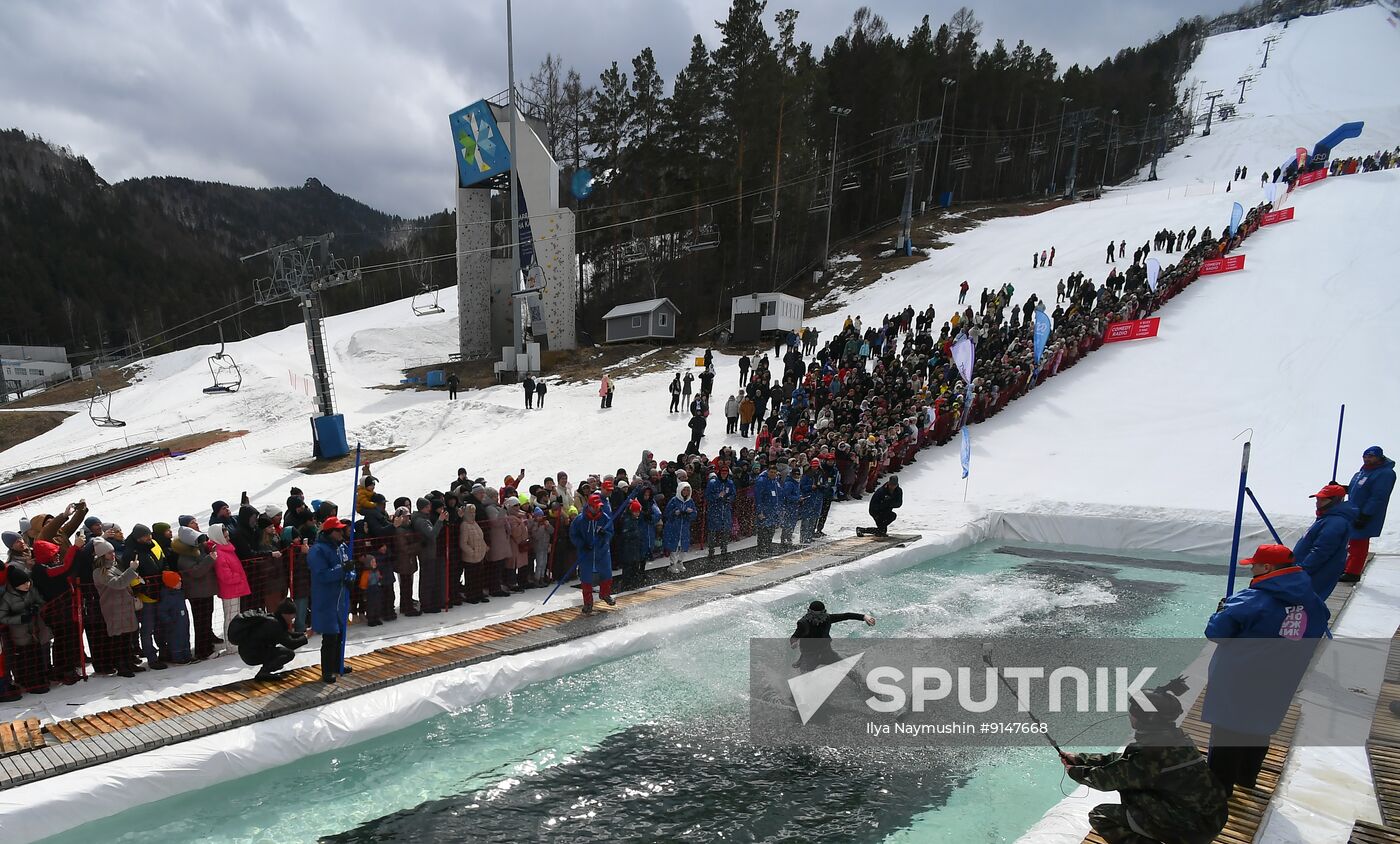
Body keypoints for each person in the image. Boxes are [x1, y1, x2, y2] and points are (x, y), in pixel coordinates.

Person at [1202, 543, 1329, 791]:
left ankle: (1219, 790)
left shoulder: (1250, 600)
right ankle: (1246, 778)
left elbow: (1216, 633)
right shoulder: (1313, 601)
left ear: (1267, 567)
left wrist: (1221, 609)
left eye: (1255, 565)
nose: (1252, 570)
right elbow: (1315, 627)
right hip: (1281, 676)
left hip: (1239, 677)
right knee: (1260, 725)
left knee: (1228, 731)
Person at [1062, 677, 1229, 844]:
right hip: (1211, 820)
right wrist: (1081, 758)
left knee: (1100, 815)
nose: (1130, 713)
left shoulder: (1150, 754)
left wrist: (1074, 770)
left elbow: (1105, 780)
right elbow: (1124, 763)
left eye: (1134, 710)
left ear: (1146, 718)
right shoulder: (1178, 740)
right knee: (1135, 792)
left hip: (1194, 831)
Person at [307, 516, 355, 683]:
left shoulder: (342, 546)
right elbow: (322, 575)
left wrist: (351, 576)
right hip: (326, 598)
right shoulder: (317, 551)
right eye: (338, 530)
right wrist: (342, 570)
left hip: (340, 597)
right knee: (330, 637)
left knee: (340, 633)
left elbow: (349, 566)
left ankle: (337, 664)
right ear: (329, 532)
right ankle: (327, 671)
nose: (342, 532)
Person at [1292, 483, 1357, 599]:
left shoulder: (1335, 522)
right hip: (1308, 573)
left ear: (1335, 501)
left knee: (1306, 605)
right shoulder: (1327, 518)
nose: (1318, 503)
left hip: (1315, 574)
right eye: (1318, 499)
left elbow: (1321, 550)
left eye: (1323, 500)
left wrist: (1303, 569)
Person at [1340, 445, 1394, 583]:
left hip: (1366, 514)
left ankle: (1353, 572)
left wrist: (1365, 515)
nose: (1367, 459)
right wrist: (1341, 488)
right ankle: (1347, 567)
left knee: (1359, 542)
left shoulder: (1384, 473)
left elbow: (1378, 497)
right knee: (1351, 541)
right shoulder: (1364, 471)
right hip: (1354, 512)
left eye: (1371, 456)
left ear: (1379, 457)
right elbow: (1356, 489)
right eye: (1365, 456)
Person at [228, 598, 307, 680]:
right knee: (288, 654)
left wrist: (303, 634)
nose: (294, 617)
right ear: (285, 614)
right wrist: (306, 637)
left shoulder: (273, 619)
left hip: (248, 651)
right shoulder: (275, 625)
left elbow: (286, 635)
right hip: (251, 655)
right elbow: (291, 644)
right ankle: (264, 672)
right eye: (293, 614)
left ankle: (266, 669)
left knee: (280, 654)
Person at [788, 600, 876, 671]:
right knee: (802, 680)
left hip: (826, 652)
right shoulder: (803, 623)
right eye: (814, 615)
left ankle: (863, 687)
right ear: (809, 612)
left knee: (849, 670)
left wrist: (864, 617)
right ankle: (801, 660)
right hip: (810, 655)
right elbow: (795, 636)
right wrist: (793, 643)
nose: (817, 619)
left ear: (824, 612)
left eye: (820, 615)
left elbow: (846, 615)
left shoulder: (827, 618)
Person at [569, 494, 616, 615]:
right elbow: (573, 535)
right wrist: (582, 544)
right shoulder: (580, 520)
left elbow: (610, 532)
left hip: (602, 552)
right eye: (595, 506)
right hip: (586, 553)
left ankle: (605, 594)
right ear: (589, 506)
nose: (597, 509)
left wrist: (604, 534)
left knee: (606, 575)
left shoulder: (604, 518)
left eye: (599, 506)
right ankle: (588, 603)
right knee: (586, 578)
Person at [663, 482, 697, 574]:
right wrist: (675, 512)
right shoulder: (674, 500)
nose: (685, 492)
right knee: (674, 547)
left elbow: (694, 514)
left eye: (687, 490)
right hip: (674, 527)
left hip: (684, 528)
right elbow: (667, 513)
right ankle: (672, 564)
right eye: (684, 490)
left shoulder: (690, 502)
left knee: (684, 546)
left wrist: (689, 513)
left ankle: (680, 562)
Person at [705, 464, 736, 558]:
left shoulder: (730, 483)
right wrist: (717, 496)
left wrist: (729, 498)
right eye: (722, 472)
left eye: (726, 472)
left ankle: (724, 550)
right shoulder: (712, 483)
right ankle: (711, 551)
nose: (724, 474)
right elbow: (707, 496)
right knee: (712, 531)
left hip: (725, 510)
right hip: (715, 510)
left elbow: (733, 494)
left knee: (726, 530)